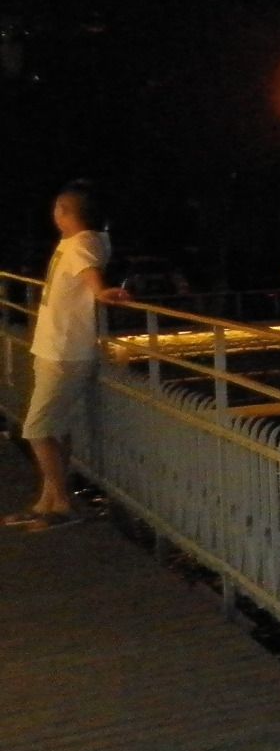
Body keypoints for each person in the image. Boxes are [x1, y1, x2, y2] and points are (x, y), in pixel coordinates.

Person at [6, 183, 127, 531]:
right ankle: (46, 502)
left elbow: (91, 274)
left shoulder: (82, 243)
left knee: (36, 429)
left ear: (63, 211)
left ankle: (61, 504)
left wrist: (101, 291)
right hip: (55, 347)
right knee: (54, 428)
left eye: (57, 209)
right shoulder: (80, 241)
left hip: (63, 352)